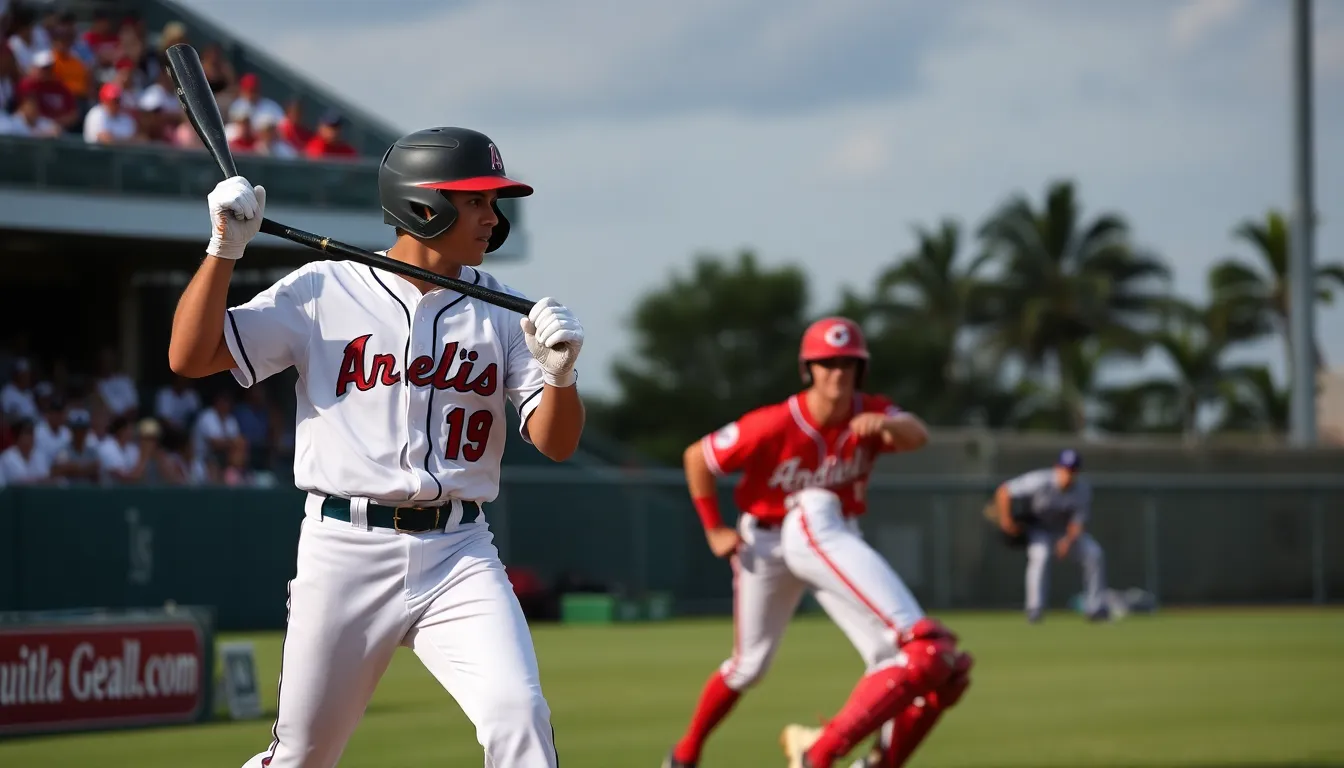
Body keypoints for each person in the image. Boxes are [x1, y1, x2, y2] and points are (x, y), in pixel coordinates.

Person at [167, 126, 584, 768]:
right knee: (304, 755)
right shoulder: (323, 289)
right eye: (476, 200)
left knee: (518, 717)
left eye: (491, 203)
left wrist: (560, 375)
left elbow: (556, 442)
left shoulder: (502, 311)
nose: (491, 216)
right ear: (424, 206)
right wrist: (223, 250)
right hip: (345, 548)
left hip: (458, 550)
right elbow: (190, 356)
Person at [662, 318, 973, 768]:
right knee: (750, 666)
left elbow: (917, 435)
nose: (838, 373)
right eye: (827, 363)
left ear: (860, 370)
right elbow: (698, 458)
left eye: (849, 363)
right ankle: (686, 753)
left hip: (833, 537)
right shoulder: (772, 423)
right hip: (768, 545)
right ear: (809, 369)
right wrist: (714, 528)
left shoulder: (873, 411)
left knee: (892, 656)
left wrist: (888, 426)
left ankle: (841, 751)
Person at [991, 449, 1109, 622]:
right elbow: (1004, 491)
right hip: (1039, 529)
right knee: (1040, 555)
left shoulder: (1082, 489)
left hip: (1064, 532)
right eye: (1065, 469)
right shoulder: (1039, 480)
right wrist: (1006, 521)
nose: (1068, 474)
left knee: (1094, 553)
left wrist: (1067, 542)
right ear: (1057, 467)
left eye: (1072, 470)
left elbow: (1077, 523)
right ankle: (1035, 609)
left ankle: (1096, 608)